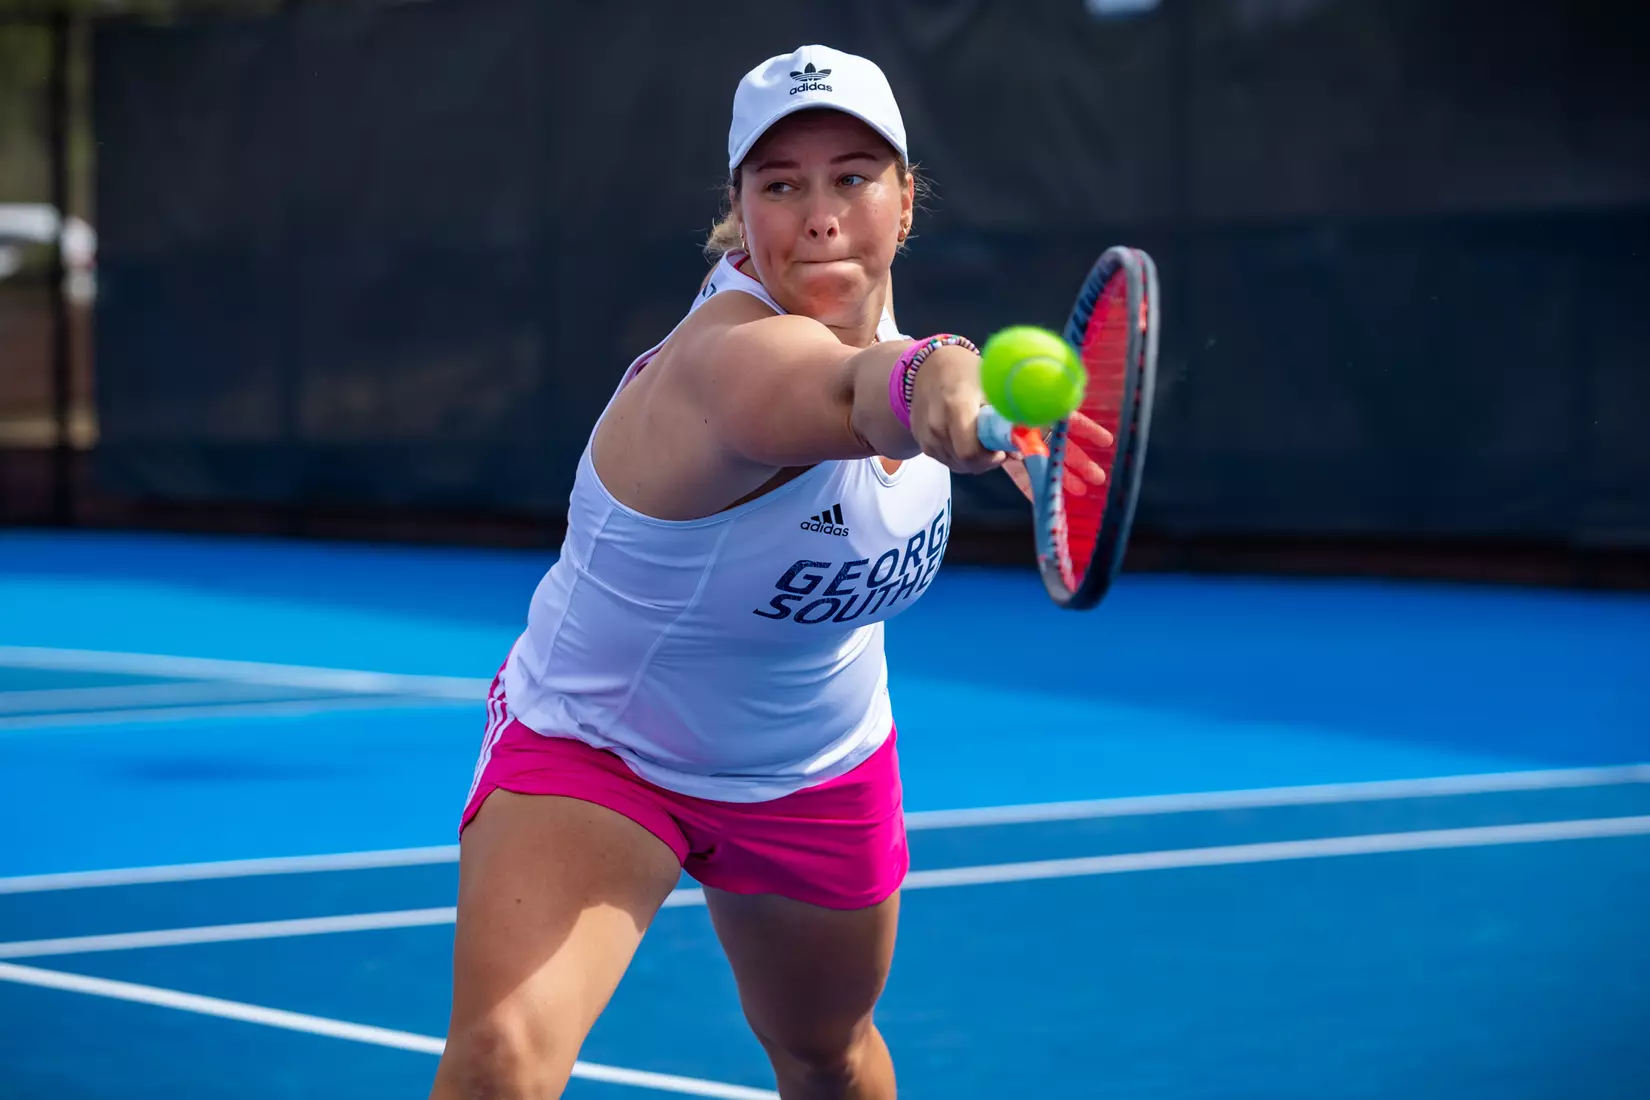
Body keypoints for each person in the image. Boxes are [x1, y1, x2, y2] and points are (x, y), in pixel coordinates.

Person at [429, 44, 1107, 1100]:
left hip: (818, 765)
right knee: (503, 1061)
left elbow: (896, 364)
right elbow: (851, 390)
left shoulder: (910, 345)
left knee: (828, 1056)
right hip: (605, 750)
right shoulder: (725, 364)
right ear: (740, 212)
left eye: (852, 176)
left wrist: (958, 387)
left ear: (906, 200)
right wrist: (943, 375)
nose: (820, 213)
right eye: (781, 185)